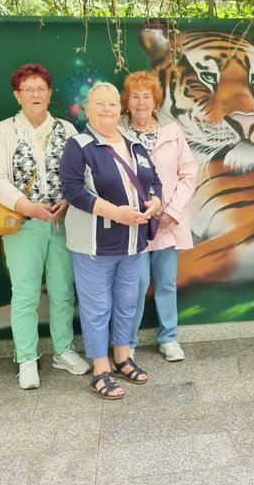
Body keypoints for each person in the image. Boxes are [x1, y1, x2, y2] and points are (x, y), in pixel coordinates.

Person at [0, 63, 89, 389]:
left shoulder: (67, 129)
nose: (35, 94)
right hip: (24, 225)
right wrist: (26, 205)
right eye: (28, 89)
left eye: (40, 88)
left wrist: (70, 200)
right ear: (17, 95)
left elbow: (81, 173)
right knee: (25, 295)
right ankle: (27, 359)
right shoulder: (6, 130)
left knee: (62, 292)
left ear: (49, 93)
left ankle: (63, 350)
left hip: (63, 223)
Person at [60, 82, 162, 400]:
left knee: (127, 303)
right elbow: (73, 190)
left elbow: (153, 180)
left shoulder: (134, 144)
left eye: (112, 104)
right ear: (87, 109)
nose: (107, 109)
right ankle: (100, 368)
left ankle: (122, 357)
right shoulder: (79, 145)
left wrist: (156, 201)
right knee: (97, 307)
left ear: (122, 109)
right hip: (94, 244)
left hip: (131, 242)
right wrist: (115, 213)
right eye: (99, 104)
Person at [120, 71, 197, 362]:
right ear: (126, 101)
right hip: (133, 223)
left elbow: (189, 172)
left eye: (147, 96)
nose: (141, 102)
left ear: (156, 100)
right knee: (135, 284)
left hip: (166, 222)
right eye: (135, 96)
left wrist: (172, 211)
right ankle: (127, 342)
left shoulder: (172, 130)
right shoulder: (116, 132)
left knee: (165, 282)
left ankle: (169, 339)